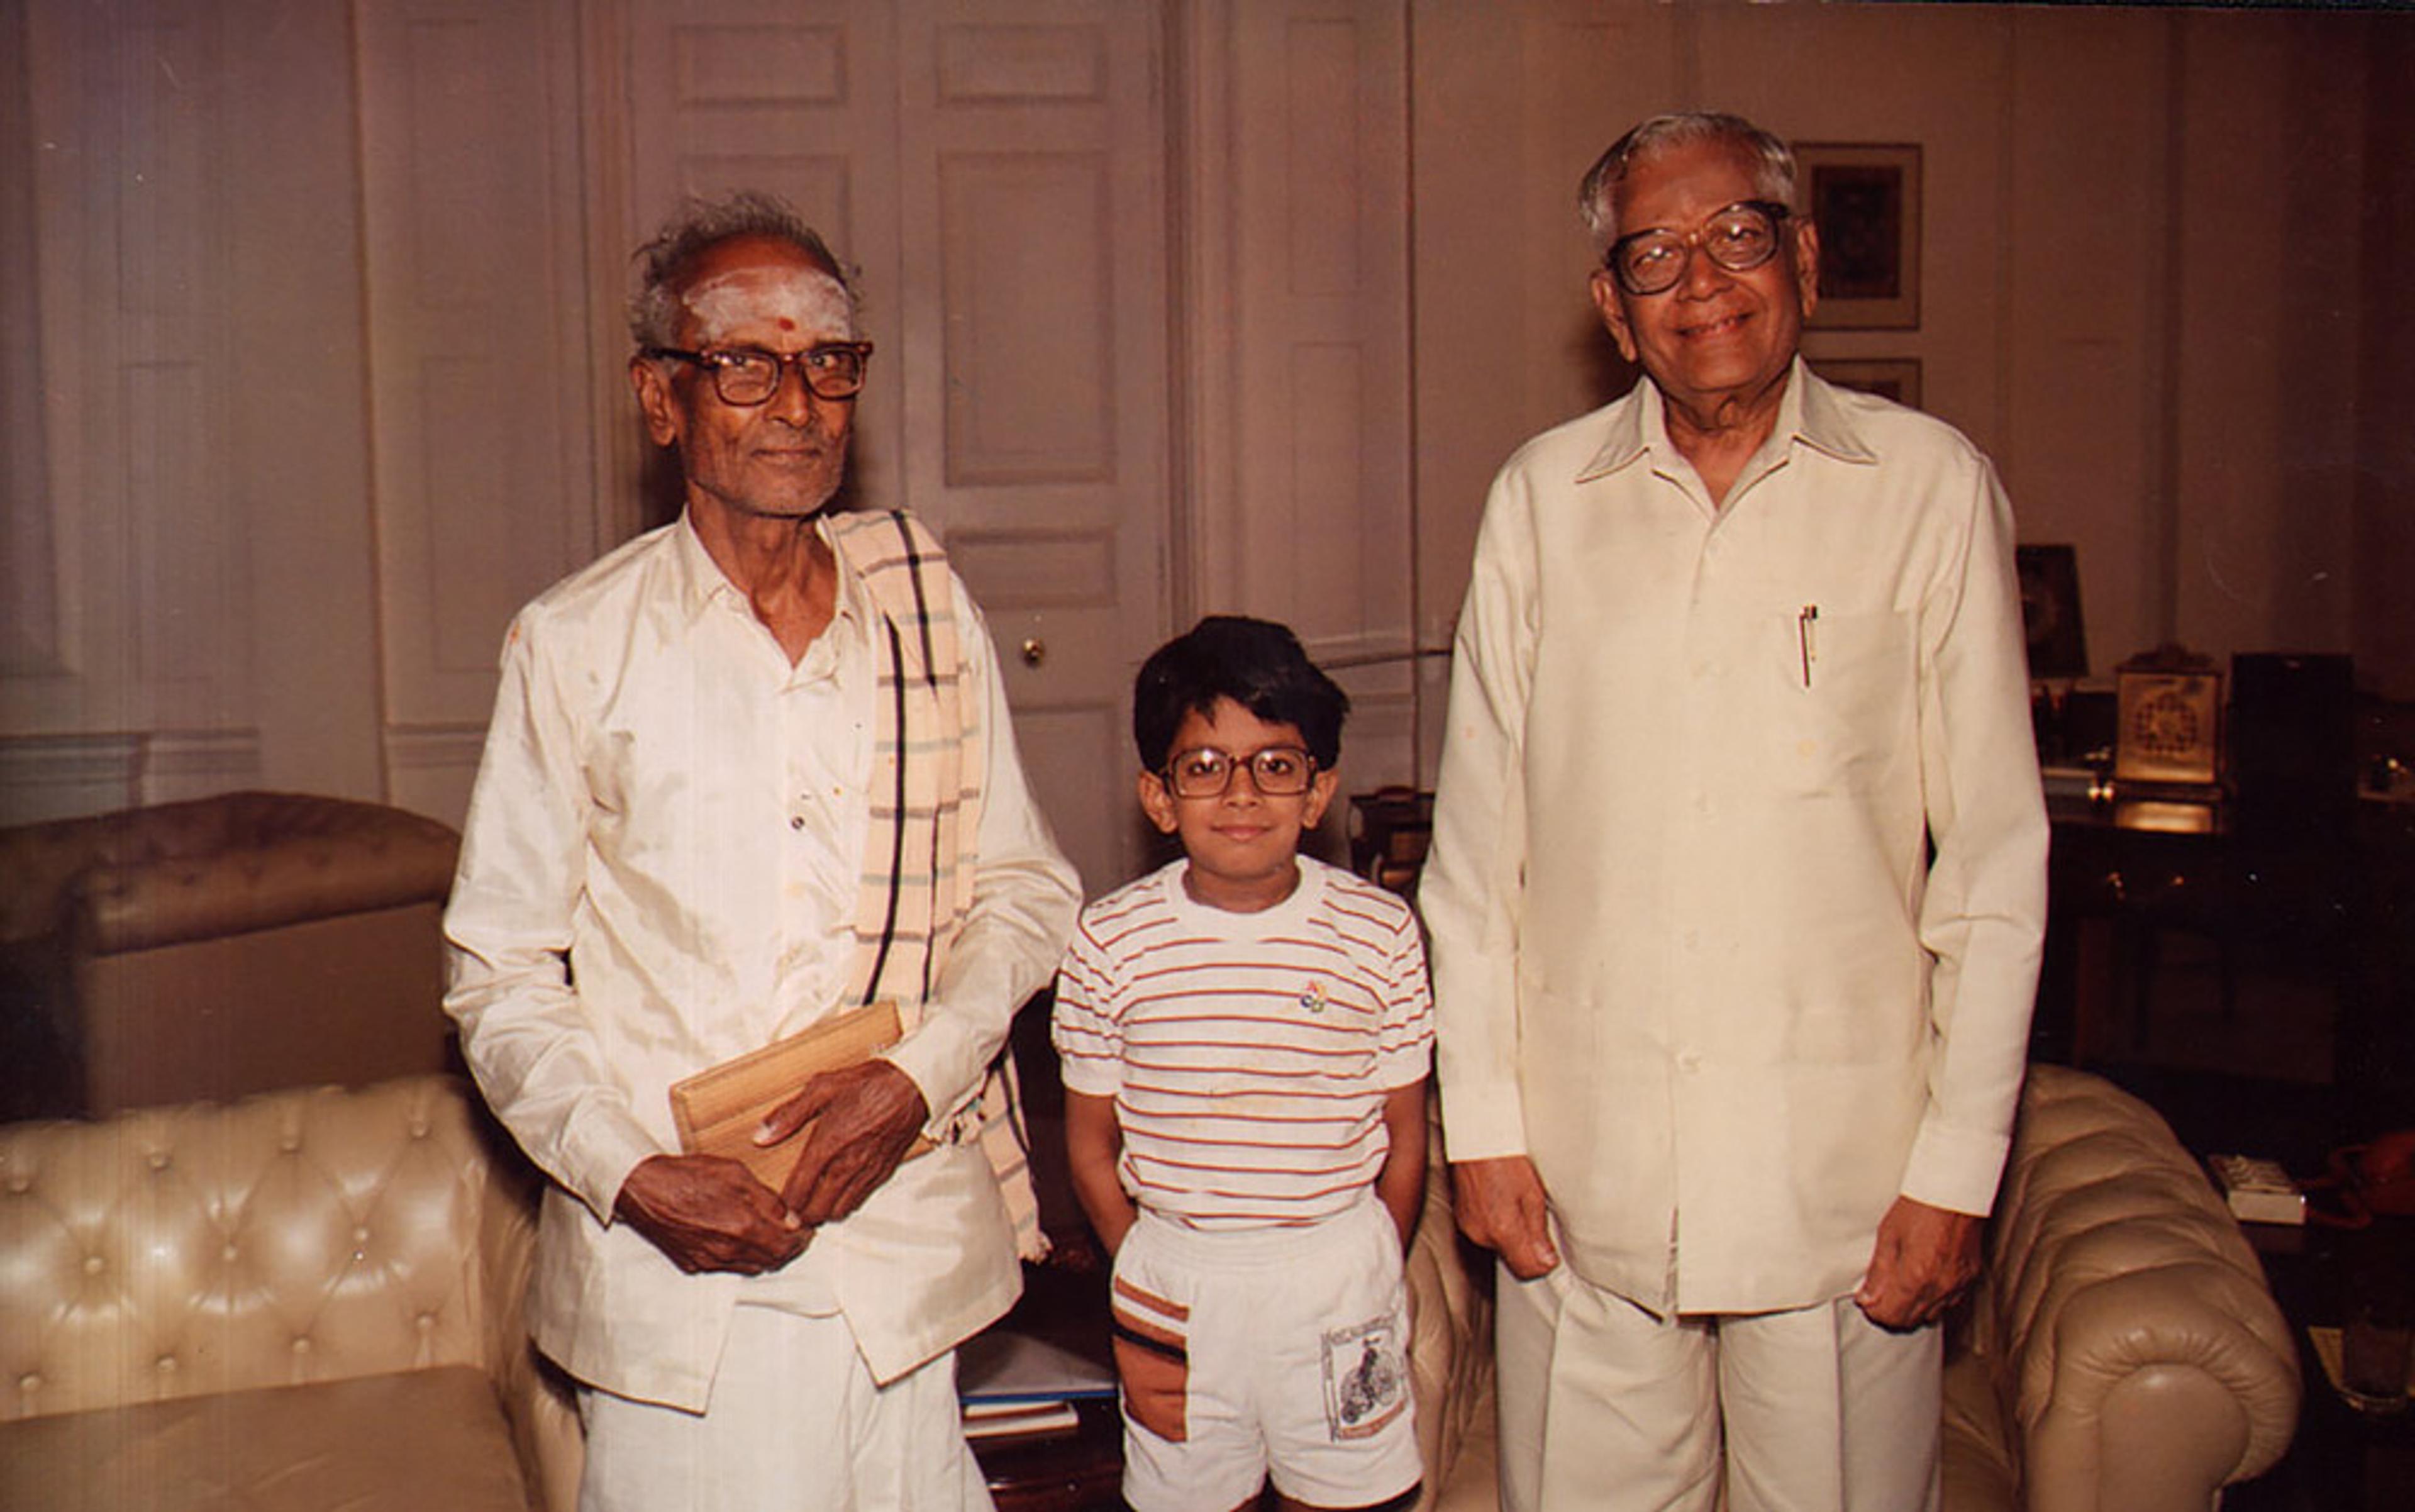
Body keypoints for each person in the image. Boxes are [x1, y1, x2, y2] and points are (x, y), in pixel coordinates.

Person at [1418, 112, 2049, 1511]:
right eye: (1655, 253)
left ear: (1805, 260)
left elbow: (1999, 869)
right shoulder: (1540, 505)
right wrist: (1490, 1129)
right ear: (1612, 305)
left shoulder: (1929, 491)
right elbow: (1472, 871)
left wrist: (1956, 1172)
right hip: (1582, 1188)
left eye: (1738, 235)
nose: (1702, 280)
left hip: (1840, 1188)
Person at [442, 191, 1081, 1511]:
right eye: (744, 359)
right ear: (663, 399)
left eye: (829, 361)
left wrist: (918, 1073)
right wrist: (633, 1175)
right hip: (687, 1303)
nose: (797, 399)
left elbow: (1025, 891)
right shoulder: (574, 646)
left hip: (903, 1263)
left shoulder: (923, 606)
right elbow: (499, 976)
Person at [1052, 616, 1433, 1512]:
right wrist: (1137, 1263)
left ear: (1318, 791)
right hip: (1178, 1278)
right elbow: (1089, 1144)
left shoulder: (1378, 933)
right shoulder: (1111, 942)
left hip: (1336, 1273)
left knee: (1344, 1498)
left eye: (1275, 763)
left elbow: (1405, 1139)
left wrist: (1375, 1259)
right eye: (1204, 766)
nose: (1241, 794)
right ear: (1159, 795)